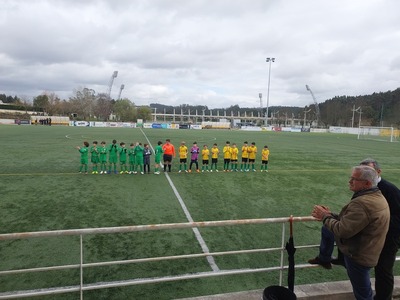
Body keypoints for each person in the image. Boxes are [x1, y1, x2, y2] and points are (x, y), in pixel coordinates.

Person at [310, 158, 400, 300]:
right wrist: (329, 215)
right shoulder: (375, 194)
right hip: (366, 247)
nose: (350, 181)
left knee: (364, 293)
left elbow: (342, 230)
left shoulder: (365, 202)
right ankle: (325, 258)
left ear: (367, 183)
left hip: (359, 253)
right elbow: (355, 220)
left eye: (354, 179)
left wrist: (325, 217)